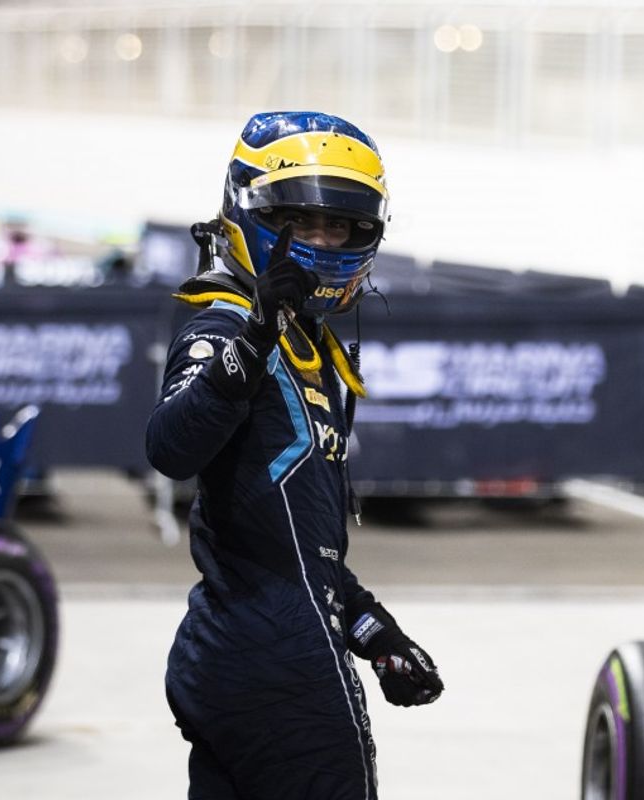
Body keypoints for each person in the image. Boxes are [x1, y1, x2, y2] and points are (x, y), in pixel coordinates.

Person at [146, 111, 444, 800]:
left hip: (268, 652)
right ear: (252, 215)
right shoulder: (225, 324)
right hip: (275, 669)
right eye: (299, 222)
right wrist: (251, 340)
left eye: (338, 226)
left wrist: (374, 631)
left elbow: (298, 551)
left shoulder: (310, 347)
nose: (320, 241)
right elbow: (169, 446)